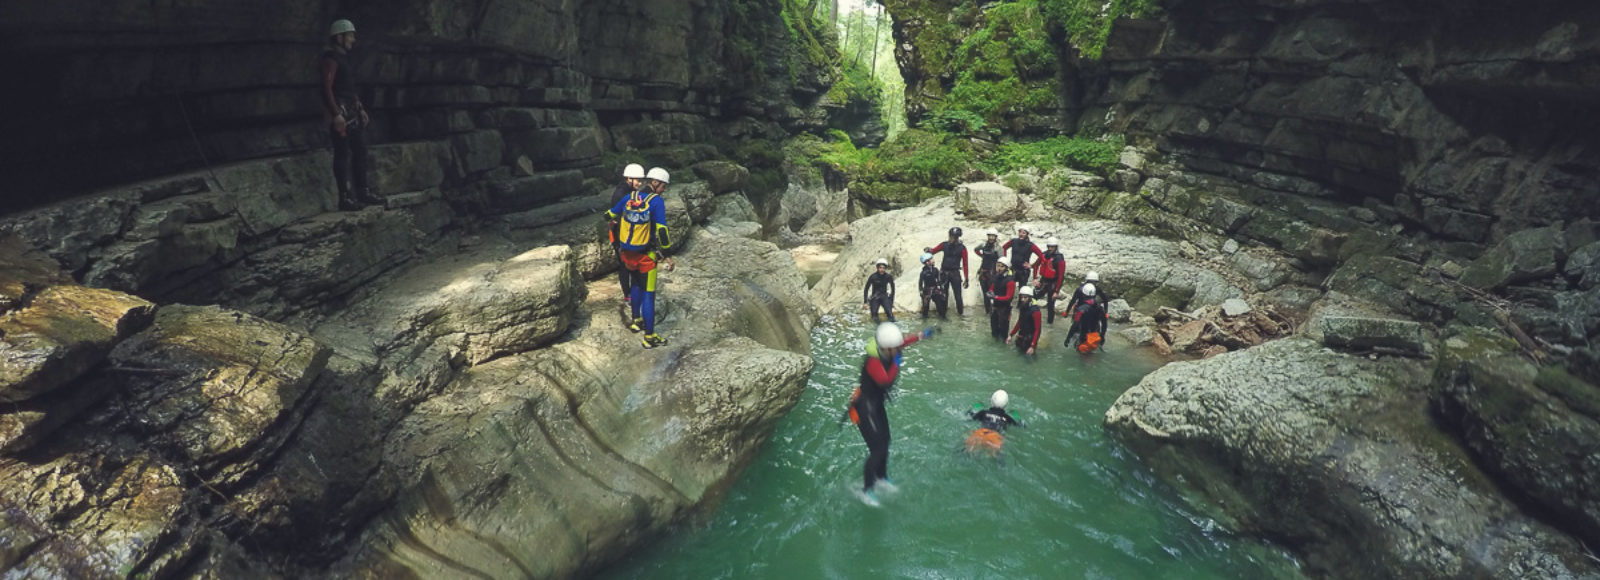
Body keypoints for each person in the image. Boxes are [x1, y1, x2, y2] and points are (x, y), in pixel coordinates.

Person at [847, 322, 933, 506]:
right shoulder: (873, 361)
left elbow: (903, 342)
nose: (898, 350)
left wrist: (921, 335)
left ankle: (881, 477)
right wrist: (896, 363)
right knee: (877, 449)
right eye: (895, 349)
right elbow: (885, 381)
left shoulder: (888, 349)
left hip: (876, 405)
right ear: (886, 349)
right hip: (864, 408)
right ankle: (867, 489)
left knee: (886, 441)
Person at [606, 167, 677, 348]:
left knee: (635, 283)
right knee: (649, 294)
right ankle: (650, 337)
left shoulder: (629, 197)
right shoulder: (656, 202)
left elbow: (609, 214)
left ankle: (636, 320)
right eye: (663, 186)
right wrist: (668, 255)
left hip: (627, 253)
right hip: (646, 255)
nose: (664, 190)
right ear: (655, 182)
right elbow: (662, 230)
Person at [320, 19, 382, 211]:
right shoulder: (330, 59)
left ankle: (362, 191)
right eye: (350, 35)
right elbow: (326, 88)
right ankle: (344, 198)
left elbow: (349, 88)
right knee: (342, 154)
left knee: (360, 150)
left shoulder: (344, 58)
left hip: (351, 112)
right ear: (339, 37)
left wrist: (360, 107)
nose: (353, 39)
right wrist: (336, 114)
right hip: (340, 113)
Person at [607, 164, 648, 304]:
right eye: (638, 180)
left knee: (631, 262)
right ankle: (627, 294)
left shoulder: (629, 191)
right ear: (629, 178)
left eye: (641, 180)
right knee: (624, 264)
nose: (640, 183)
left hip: (626, 233)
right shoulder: (621, 194)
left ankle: (634, 290)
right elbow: (618, 217)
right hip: (618, 234)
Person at [924, 227, 969, 316]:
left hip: (955, 273)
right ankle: (943, 315)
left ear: (957, 238)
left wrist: (966, 278)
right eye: (950, 236)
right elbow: (934, 250)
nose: (951, 238)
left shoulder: (962, 248)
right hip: (944, 273)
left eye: (953, 237)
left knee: (958, 296)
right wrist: (928, 250)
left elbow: (965, 264)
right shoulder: (944, 245)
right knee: (944, 296)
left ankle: (960, 315)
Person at [965, 389, 1020, 457]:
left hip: (981, 433)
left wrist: (971, 411)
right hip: (995, 436)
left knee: (967, 450)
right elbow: (1019, 425)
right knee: (997, 456)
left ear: (991, 401)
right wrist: (1018, 419)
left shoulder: (983, 412)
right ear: (1006, 404)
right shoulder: (1007, 418)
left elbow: (970, 418)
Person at [1063, 283, 1108, 352]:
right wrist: (1102, 336)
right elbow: (1104, 324)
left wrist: (1068, 339)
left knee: (1082, 353)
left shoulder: (1081, 310)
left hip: (1083, 337)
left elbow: (1075, 325)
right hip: (1095, 335)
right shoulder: (1100, 308)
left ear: (1083, 295)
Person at [1034, 238, 1067, 324]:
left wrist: (1057, 291)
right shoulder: (1044, 254)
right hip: (1044, 280)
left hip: (1054, 283)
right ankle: (1033, 315)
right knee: (1034, 297)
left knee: (1050, 305)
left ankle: (1050, 323)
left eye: (1052, 247)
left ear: (1056, 247)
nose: (1050, 249)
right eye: (1049, 246)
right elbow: (1036, 265)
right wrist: (1035, 279)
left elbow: (1061, 276)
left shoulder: (1059, 258)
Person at [972, 229, 1003, 314]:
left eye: (993, 236)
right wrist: (982, 256)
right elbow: (975, 249)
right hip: (983, 272)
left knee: (992, 293)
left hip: (993, 273)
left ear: (996, 237)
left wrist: (999, 272)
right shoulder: (983, 245)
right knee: (985, 293)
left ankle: (995, 311)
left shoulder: (998, 248)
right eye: (990, 236)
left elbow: (1002, 261)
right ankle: (987, 312)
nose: (991, 238)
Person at [985, 262, 1017, 342]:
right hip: (995, 307)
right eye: (998, 266)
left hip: (1004, 309)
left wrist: (996, 297)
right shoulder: (996, 277)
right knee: (994, 332)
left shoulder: (1010, 281)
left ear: (1006, 268)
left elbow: (1009, 297)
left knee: (1003, 333)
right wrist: (990, 292)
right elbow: (992, 288)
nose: (999, 268)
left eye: (1001, 266)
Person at [1007, 286, 1042, 357]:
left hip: (1030, 339)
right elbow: (1019, 322)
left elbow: (1037, 330)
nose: (1022, 299)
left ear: (1030, 298)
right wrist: (1011, 335)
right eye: (1021, 297)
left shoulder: (1036, 311)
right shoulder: (1023, 307)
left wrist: (1032, 345)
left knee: (1030, 358)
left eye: (1025, 297)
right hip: (1022, 336)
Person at [863, 259, 897, 323]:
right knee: (874, 315)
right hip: (875, 297)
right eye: (880, 268)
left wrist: (891, 300)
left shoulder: (888, 276)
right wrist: (865, 302)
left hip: (884, 296)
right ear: (877, 268)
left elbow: (893, 288)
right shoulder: (873, 277)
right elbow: (866, 289)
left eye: (884, 268)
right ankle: (879, 326)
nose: (882, 270)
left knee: (890, 313)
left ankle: (893, 326)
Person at [917, 253, 949, 320]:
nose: (933, 260)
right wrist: (921, 291)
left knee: (939, 304)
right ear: (927, 262)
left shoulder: (935, 270)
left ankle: (942, 317)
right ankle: (924, 318)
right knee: (925, 307)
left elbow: (939, 280)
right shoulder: (923, 272)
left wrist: (942, 290)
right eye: (931, 259)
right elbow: (920, 283)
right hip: (927, 290)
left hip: (935, 289)